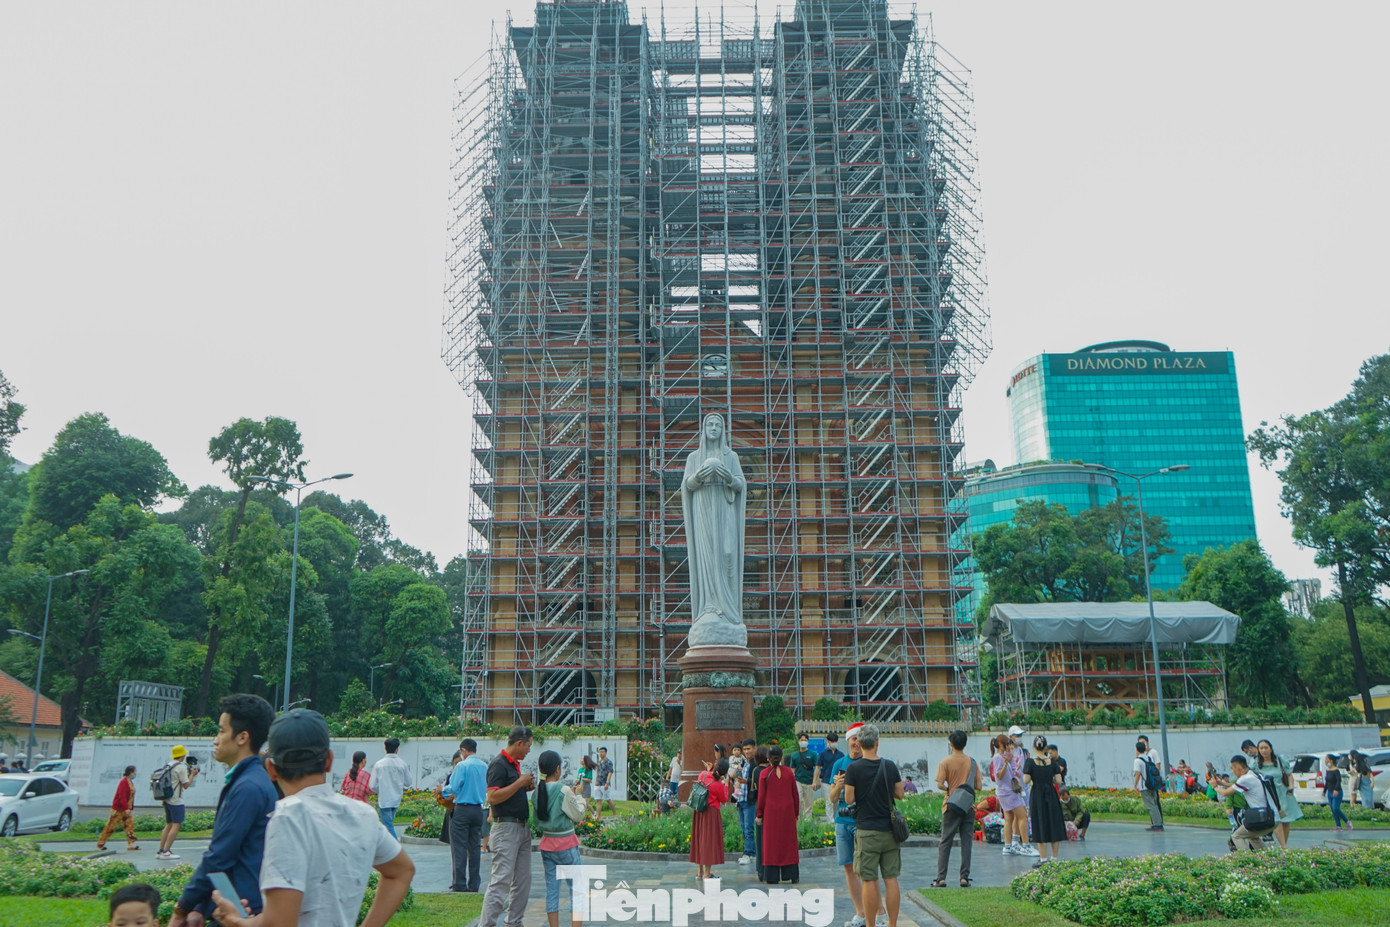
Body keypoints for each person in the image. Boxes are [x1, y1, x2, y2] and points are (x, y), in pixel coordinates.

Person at [210, 708, 415, 927]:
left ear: (270, 769)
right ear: (328, 760)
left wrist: (237, 921)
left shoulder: (288, 817)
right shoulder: (362, 813)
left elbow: (280, 923)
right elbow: (402, 870)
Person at [170, 693, 279, 927]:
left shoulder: (248, 787)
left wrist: (183, 908)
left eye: (221, 731)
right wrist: (200, 907)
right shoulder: (248, 780)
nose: (215, 740)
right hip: (230, 903)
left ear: (242, 737)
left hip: (240, 909)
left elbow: (220, 856)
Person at [844, 725, 904, 927]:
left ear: (859, 744)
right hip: (889, 830)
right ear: (878, 742)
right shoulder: (889, 766)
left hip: (867, 831)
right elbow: (900, 794)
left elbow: (849, 798)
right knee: (891, 878)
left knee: (868, 880)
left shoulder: (853, 768)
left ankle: (870, 924)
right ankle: (892, 924)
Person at [828, 724, 886, 927]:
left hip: (864, 823)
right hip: (843, 822)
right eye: (853, 739)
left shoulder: (870, 763)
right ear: (848, 741)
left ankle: (879, 914)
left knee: (869, 870)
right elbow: (833, 798)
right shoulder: (839, 764)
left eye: (859, 739)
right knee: (849, 868)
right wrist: (839, 785)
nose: (856, 743)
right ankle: (860, 913)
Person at [480, 726, 536, 927]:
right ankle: (486, 924)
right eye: (528, 745)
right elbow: (492, 797)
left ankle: (514, 922)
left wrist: (523, 786)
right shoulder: (499, 765)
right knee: (501, 880)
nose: (529, 750)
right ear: (519, 743)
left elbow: (508, 792)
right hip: (506, 830)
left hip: (521, 828)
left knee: (522, 881)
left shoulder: (514, 765)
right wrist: (519, 783)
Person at [534, 750, 586, 927]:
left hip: (547, 845)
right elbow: (578, 815)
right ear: (557, 769)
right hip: (567, 846)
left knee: (552, 891)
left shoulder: (537, 791)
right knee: (576, 891)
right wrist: (579, 796)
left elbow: (538, 820)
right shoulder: (564, 790)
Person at [931, 729, 981, 889]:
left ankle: (941, 878)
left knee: (945, 842)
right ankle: (964, 878)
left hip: (951, 805)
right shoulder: (972, 762)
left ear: (951, 744)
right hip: (968, 807)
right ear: (965, 744)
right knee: (966, 842)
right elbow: (978, 786)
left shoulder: (945, 762)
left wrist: (949, 789)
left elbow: (939, 783)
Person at [443, 738, 488, 894]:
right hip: (478, 810)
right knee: (475, 847)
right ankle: (474, 883)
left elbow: (453, 787)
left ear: (463, 750)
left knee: (459, 847)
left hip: (462, 808)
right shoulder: (484, 766)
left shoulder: (462, 766)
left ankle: (459, 883)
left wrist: (442, 791)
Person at [755, 745, 801, 884]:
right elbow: (795, 794)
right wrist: (796, 812)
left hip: (771, 812)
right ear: (781, 757)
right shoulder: (789, 773)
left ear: (767, 758)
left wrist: (759, 814)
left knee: (771, 844)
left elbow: (761, 797)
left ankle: (772, 876)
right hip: (788, 812)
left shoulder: (764, 774)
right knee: (789, 843)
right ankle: (792, 874)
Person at [1212, 754, 1276, 852]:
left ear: (1238, 768)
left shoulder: (1245, 779)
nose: (1232, 771)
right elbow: (1237, 785)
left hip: (1263, 817)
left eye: (1232, 768)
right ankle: (1268, 858)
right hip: (1271, 815)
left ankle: (1247, 858)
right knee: (1252, 836)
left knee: (1236, 836)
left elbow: (1225, 793)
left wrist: (1214, 787)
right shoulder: (1253, 774)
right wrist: (1223, 784)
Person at [1022, 736, 1066, 867]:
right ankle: (1054, 858)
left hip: (1037, 794)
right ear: (1046, 747)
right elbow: (1059, 780)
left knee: (1040, 822)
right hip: (1051, 793)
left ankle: (1043, 858)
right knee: (1054, 822)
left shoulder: (1030, 762)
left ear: (1034, 747)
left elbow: (1026, 780)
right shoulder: (1052, 762)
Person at [989, 733, 1034, 856]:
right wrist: (1005, 763)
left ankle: (1008, 846)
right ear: (1000, 744)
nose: (1009, 746)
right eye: (1007, 743)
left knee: (1009, 818)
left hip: (1006, 792)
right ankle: (1026, 845)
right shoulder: (998, 758)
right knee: (1023, 816)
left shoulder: (1002, 757)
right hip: (1008, 792)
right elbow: (998, 775)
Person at [1255, 738, 1301, 847]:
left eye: (1266, 748)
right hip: (1269, 796)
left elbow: (1289, 775)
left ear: (1271, 749)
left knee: (1286, 820)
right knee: (1277, 820)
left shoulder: (1280, 761)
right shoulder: (1255, 764)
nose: (1264, 750)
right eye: (1261, 748)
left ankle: (1283, 844)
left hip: (1284, 794)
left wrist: (1291, 788)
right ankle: (1284, 847)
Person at [690, 758, 730, 880]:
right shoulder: (718, 785)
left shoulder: (702, 774)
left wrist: (709, 770)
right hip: (711, 813)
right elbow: (724, 799)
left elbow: (708, 776)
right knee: (708, 841)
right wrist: (727, 785)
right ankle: (707, 874)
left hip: (698, 811)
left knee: (699, 839)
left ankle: (699, 872)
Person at [157, 745, 199, 860]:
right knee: (176, 825)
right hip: (176, 800)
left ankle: (160, 850)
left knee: (169, 824)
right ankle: (166, 851)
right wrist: (192, 775)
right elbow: (186, 785)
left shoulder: (169, 765)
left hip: (167, 799)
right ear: (182, 755)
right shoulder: (181, 767)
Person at [369, 737, 413, 839]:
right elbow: (408, 782)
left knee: (387, 826)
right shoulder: (402, 764)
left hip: (384, 800)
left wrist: (380, 790)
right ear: (397, 749)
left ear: (385, 748)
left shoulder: (379, 764)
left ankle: (395, 848)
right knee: (388, 824)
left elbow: (372, 785)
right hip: (396, 799)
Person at [97, 766, 141, 852]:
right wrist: (126, 808)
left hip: (126, 809)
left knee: (129, 826)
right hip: (119, 809)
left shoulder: (130, 782)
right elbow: (122, 796)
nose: (135, 774)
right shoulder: (123, 782)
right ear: (131, 772)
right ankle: (101, 843)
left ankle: (131, 844)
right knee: (111, 826)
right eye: (134, 772)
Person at [746, 745, 769, 881]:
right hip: (771, 807)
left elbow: (755, 789)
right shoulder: (772, 770)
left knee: (760, 839)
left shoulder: (756, 771)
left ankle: (760, 868)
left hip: (760, 806)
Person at [734, 738, 758, 864]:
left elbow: (758, 781)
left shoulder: (756, 763)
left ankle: (749, 853)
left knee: (748, 828)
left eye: (749, 749)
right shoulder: (744, 763)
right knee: (744, 828)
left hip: (750, 800)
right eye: (744, 749)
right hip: (741, 799)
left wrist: (746, 781)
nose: (746, 751)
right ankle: (751, 852)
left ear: (755, 748)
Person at [1133, 740, 1164, 831]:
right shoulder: (1149, 758)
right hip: (1153, 784)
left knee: (1150, 806)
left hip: (1145, 786)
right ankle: (1158, 823)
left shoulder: (1138, 761)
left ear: (1137, 749)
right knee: (1154, 804)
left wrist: (1135, 786)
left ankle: (1157, 825)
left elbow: (1138, 774)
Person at [788, 734, 818, 821]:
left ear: (808, 742)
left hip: (809, 781)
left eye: (805, 740)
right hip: (798, 781)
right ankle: (799, 819)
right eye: (801, 740)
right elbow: (792, 770)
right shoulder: (794, 755)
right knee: (799, 800)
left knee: (809, 803)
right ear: (798, 741)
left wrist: (815, 781)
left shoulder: (813, 754)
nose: (803, 742)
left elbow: (816, 768)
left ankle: (807, 821)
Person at [816, 733, 843, 823]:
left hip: (837, 782)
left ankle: (836, 819)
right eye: (832, 741)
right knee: (829, 801)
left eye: (835, 741)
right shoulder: (823, 754)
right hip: (826, 780)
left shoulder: (840, 754)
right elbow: (818, 767)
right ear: (828, 741)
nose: (834, 743)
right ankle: (830, 821)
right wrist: (816, 780)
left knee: (836, 802)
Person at [1323, 755, 1350, 831]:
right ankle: (1338, 825)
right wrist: (1324, 791)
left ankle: (1347, 822)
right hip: (1330, 792)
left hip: (1337, 792)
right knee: (1332, 809)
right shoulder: (1328, 770)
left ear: (1331, 760)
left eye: (1327, 759)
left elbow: (1339, 781)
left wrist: (1336, 789)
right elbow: (1327, 782)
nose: (1326, 761)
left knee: (1336, 808)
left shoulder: (1336, 770)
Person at [592, 746, 616, 815]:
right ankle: (598, 815)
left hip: (604, 783)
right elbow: (598, 772)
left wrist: (607, 783)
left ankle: (614, 813)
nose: (601, 753)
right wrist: (595, 782)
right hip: (598, 784)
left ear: (605, 753)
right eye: (600, 752)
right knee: (598, 800)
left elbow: (610, 772)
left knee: (608, 799)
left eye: (602, 752)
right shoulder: (599, 762)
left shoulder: (608, 762)